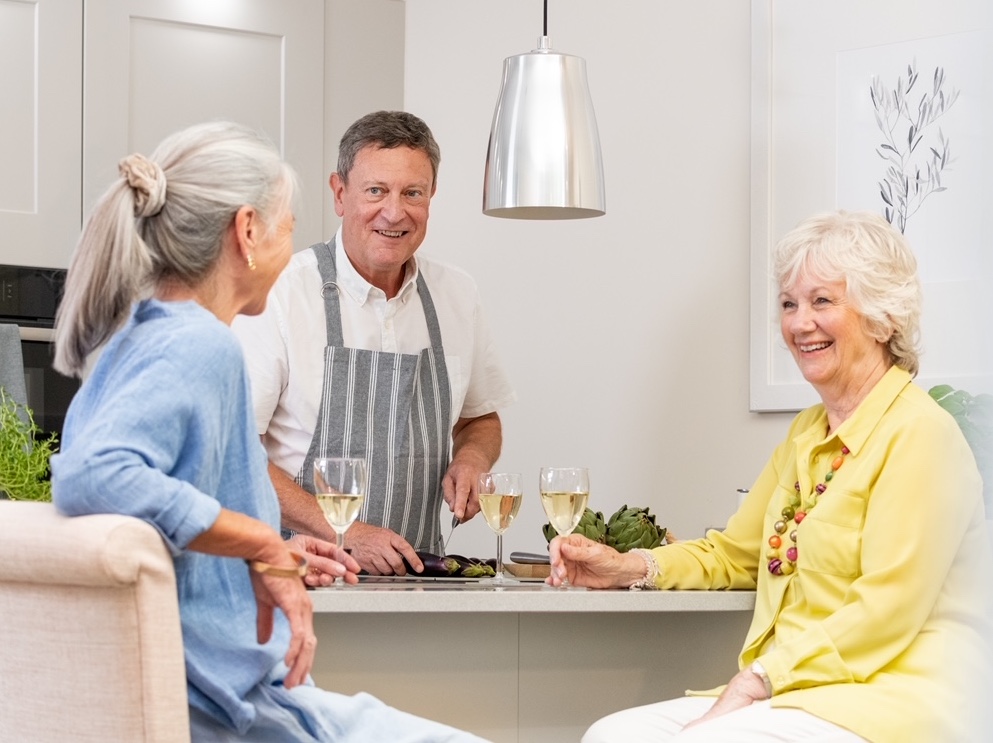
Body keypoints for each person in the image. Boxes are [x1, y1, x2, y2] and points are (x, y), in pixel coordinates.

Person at [49, 121, 489, 743]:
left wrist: (267, 555)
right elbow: (95, 475)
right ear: (247, 232)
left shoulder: (146, 335)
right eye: (287, 226)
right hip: (228, 701)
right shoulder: (201, 343)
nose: (291, 247)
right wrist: (260, 541)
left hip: (224, 687)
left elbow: (166, 525)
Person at [547, 211, 993, 743]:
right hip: (800, 693)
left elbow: (886, 610)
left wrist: (758, 679)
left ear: (882, 318)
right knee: (613, 734)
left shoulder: (921, 435)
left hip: (894, 700)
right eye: (789, 304)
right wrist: (629, 566)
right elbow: (733, 554)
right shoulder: (808, 433)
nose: (799, 323)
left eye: (822, 301)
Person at [232, 110, 516, 575]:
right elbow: (236, 453)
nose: (394, 212)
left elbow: (480, 419)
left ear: (432, 196)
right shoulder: (281, 294)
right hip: (298, 577)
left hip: (419, 579)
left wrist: (472, 457)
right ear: (339, 193)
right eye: (376, 191)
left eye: (412, 193)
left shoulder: (457, 295)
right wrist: (346, 533)